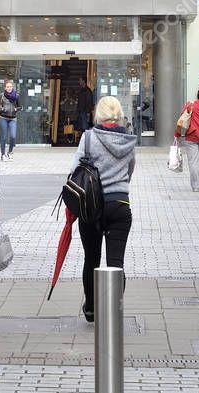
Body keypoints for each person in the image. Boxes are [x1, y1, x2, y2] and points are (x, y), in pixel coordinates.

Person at [74, 96, 137, 322]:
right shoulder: (127, 140)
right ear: (118, 114)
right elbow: (130, 170)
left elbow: (75, 169)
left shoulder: (89, 138)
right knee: (116, 263)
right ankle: (113, 309)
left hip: (91, 206)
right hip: (120, 205)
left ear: (97, 114)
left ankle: (91, 307)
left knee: (91, 258)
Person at [0, 80, 21, 161]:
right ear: (5, 88)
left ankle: (10, 153)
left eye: (10, 87)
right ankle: (3, 154)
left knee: (13, 136)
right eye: (7, 87)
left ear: (12, 87)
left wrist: (16, 109)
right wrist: (1, 109)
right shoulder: (1, 95)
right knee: (4, 137)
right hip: (3, 118)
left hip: (13, 118)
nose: (9, 88)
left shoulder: (16, 96)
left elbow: (20, 106)